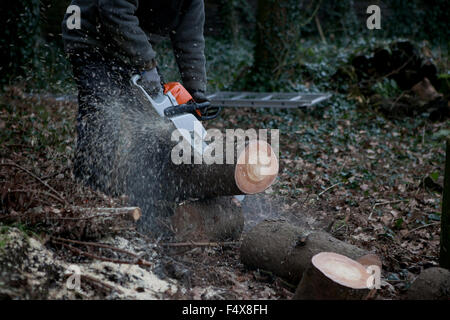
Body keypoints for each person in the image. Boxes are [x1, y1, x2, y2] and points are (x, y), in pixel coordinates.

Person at [61, 0, 208, 194]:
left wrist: (196, 90)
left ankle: (151, 191)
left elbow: (190, 39)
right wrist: (147, 63)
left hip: (133, 43)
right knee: (102, 114)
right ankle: (90, 192)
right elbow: (114, 9)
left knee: (156, 121)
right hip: (91, 37)